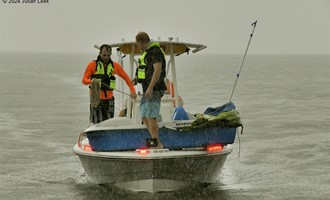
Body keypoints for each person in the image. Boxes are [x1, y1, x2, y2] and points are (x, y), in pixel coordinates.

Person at [82, 44, 137, 124]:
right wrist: (92, 81)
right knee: (97, 122)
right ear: (100, 53)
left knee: (109, 122)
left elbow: (126, 78)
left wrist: (132, 91)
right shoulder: (92, 65)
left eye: (108, 55)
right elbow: (84, 80)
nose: (106, 57)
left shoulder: (115, 66)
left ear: (110, 54)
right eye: (104, 55)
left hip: (109, 99)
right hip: (96, 99)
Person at [135, 31, 167, 149]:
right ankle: (157, 141)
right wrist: (136, 78)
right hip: (147, 89)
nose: (138, 47)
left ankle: (156, 143)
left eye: (138, 44)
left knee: (150, 116)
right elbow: (145, 70)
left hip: (154, 89)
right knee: (143, 115)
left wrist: (150, 88)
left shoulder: (155, 51)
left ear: (142, 42)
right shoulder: (147, 53)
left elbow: (157, 70)